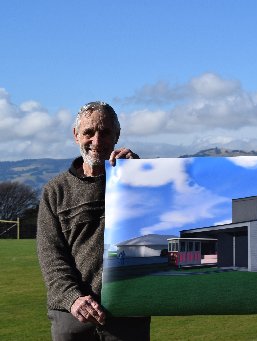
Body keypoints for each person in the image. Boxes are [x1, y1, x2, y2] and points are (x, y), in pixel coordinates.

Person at [37, 101, 151, 340]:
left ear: (117, 135)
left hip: (126, 316)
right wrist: (73, 298)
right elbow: (51, 255)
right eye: (89, 132)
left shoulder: (134, 181)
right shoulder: (55, 191)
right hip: (72, 317)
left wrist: (140, 175)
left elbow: (166, 218)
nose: (97, 141)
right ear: (76, 135)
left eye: (105, 132)